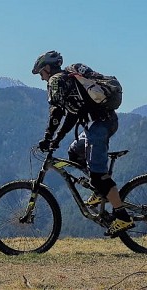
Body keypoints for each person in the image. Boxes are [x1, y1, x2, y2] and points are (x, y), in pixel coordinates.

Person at [31, 50, 134, 237]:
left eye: (41, 74)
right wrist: (57, 140)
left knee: (98, 175)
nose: (41, 79)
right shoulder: (69, 82)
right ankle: (100, 191)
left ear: (47, 68)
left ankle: (122, 216)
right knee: (74, 152)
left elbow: (57, 113)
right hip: (99, 124)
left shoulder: (57, 81)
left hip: (99, 126)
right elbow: (72, 114)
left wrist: (48, 138)